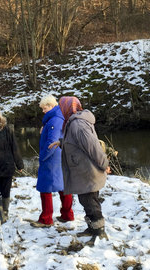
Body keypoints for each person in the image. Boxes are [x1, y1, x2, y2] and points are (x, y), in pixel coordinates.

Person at [50, 96, 109, 241]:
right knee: (86, 200)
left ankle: (99, 232)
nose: (61, 109)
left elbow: (92, 147)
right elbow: (76, 143)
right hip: (83, 170)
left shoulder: (77, 124)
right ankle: (92, 228)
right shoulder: (73, 121)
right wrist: (62, 143)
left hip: (87, 171)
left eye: (62, 106)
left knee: (90, 202)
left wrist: (105, 164)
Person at [33, 94, 74, 226]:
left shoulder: (54, 120)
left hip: (51, 158)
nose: (43, 111)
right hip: (59, 156)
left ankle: (46, 219)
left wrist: (43, 157)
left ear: (51, 106)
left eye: (44, 108)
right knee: (62, 186)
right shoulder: (57, 118)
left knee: (45, 188)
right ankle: (67, 215)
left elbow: (52, 141)